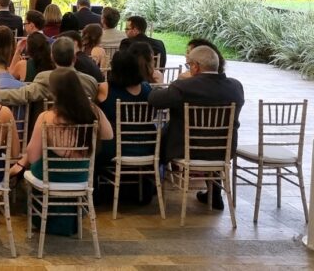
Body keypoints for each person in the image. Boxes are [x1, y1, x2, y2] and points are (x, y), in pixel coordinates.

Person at [9, 68, 113, 235]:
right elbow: (109, 135)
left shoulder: (46, 117)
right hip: (80, 176)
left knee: (35, 165)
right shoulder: (91, 111)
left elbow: (33, 156)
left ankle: (41, 216)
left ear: (54, 92)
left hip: (50, 176)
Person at [148, 45, 244, 209]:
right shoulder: (235, 87)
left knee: (155, 137)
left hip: (186, 149)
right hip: (223, 150)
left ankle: (150, 187)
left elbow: (155, 100)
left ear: (195, 66)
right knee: (212, 138)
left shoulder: (184, 87)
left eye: (189, 65)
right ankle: (214, 194)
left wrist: (159, 84)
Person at [96, 51, 154, 195]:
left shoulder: (105, 88)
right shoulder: (147, 88)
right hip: (147, 145)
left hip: (115, 146)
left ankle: (94, 189)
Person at [0, 37, 100, 107]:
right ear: (74, 58)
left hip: (51, 128)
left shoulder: (45, 78)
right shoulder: (91, 82)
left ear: (52, 57)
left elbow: (23, 95)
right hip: (84, 131)